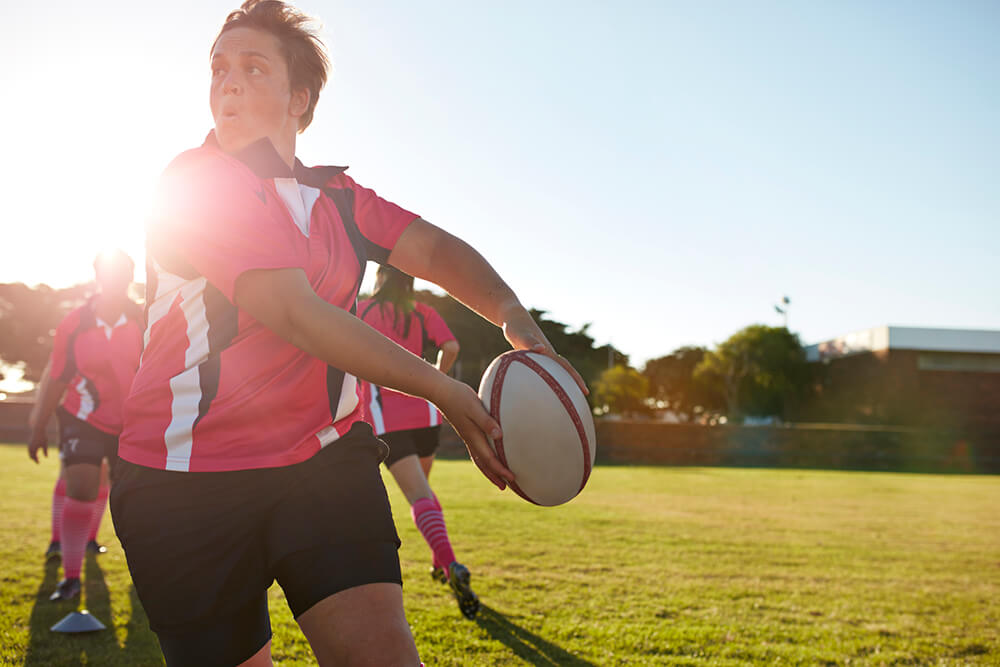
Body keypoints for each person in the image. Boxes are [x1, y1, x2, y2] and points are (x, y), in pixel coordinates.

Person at [111, 2, 586, 665]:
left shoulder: (339, 198)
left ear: (300, 99)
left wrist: (511, 311)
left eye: (253, 67)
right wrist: (444, 389)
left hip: (323, 462)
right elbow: (294, 310)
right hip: (186, 479)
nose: (229, 81)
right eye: (219, 67)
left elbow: (438, 251)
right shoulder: (196, 181)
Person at [359, 265, 477, 619]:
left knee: (418, 495)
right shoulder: (422, 311)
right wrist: (435, 378)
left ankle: (452, 562)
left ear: (379, 278)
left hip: (386, 417)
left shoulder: (363, 310)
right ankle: (439, 562)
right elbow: (451, 345)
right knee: (424, 490)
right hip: (427, 413)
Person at [27, 249, 144, 602]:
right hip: (83, 416)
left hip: (132, 423)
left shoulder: (146, 318)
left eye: (122, 275)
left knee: (135, 500)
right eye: (109, 275)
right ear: (98, 277)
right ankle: (72, 577)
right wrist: (38, 426)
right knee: (81, 486)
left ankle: (146, 578)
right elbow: (58, 377)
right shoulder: (74, 323)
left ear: (129, 278)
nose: (115, 282)